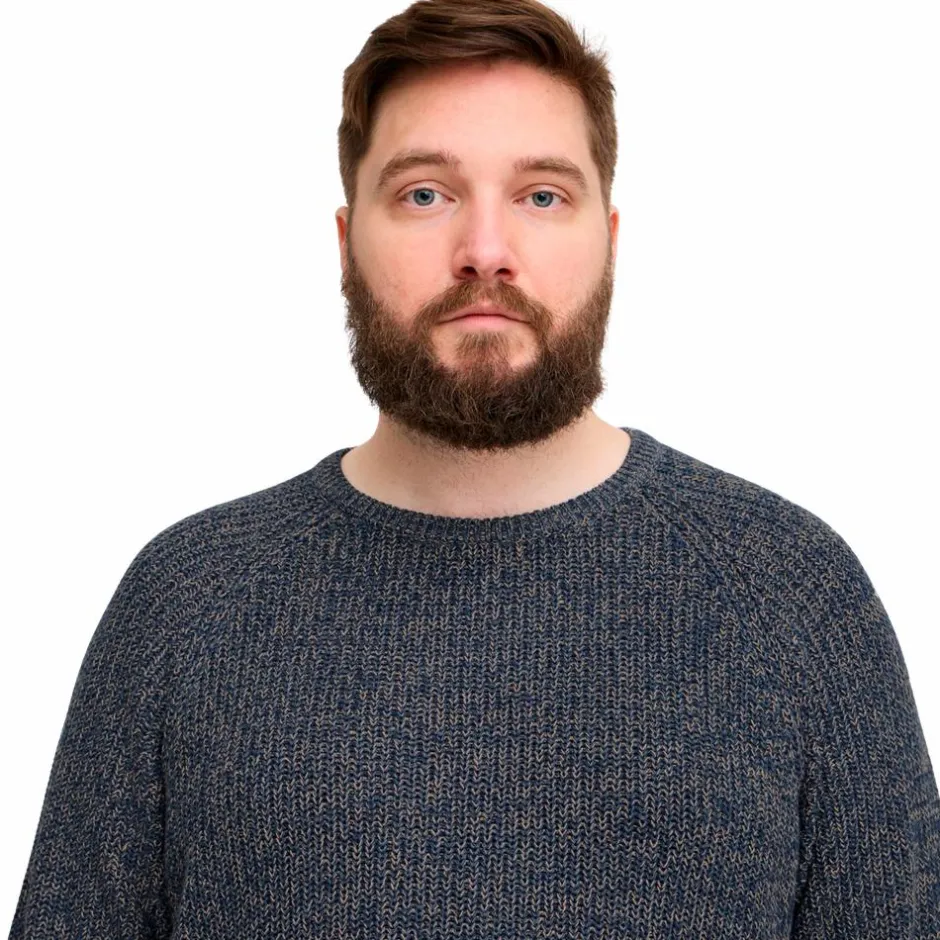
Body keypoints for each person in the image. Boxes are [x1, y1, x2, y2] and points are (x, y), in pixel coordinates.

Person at [8, 0, 939, 936]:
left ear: (610, 239)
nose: (485, 251)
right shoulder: (186, 603)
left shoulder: (793, 594)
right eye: (425, 194)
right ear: (345, 243)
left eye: (542, 195)